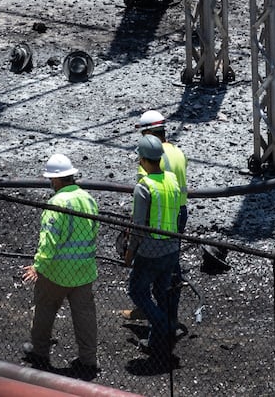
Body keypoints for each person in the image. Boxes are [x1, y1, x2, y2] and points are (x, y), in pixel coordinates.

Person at [21, 152, 99, 379]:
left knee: (44, 310)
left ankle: (40, 352)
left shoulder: (56, 204)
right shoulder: (88, 199)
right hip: (84, 270)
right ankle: (88, 359)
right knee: (85, 316)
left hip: (56, 272)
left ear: (55, 180)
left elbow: (49, 240)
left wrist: (39, 266)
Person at [122, 133, 183, 366]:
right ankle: (157, 341)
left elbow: (138, 227)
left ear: (143, 159)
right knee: (161, 292)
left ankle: (161, 324)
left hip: (150, 251)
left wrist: (129, 254)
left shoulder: (143, 187)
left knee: (137, 291)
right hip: (171, 248)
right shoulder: (171, 180)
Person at [137, 110, 188, 334]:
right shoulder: (178, 152)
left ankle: (157, 319)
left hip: (159, 216)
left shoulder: (151, 158)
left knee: (150, 267)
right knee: (171, 264)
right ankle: (169, 315)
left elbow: (145, 195)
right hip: (180, 213)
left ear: (148, 133)